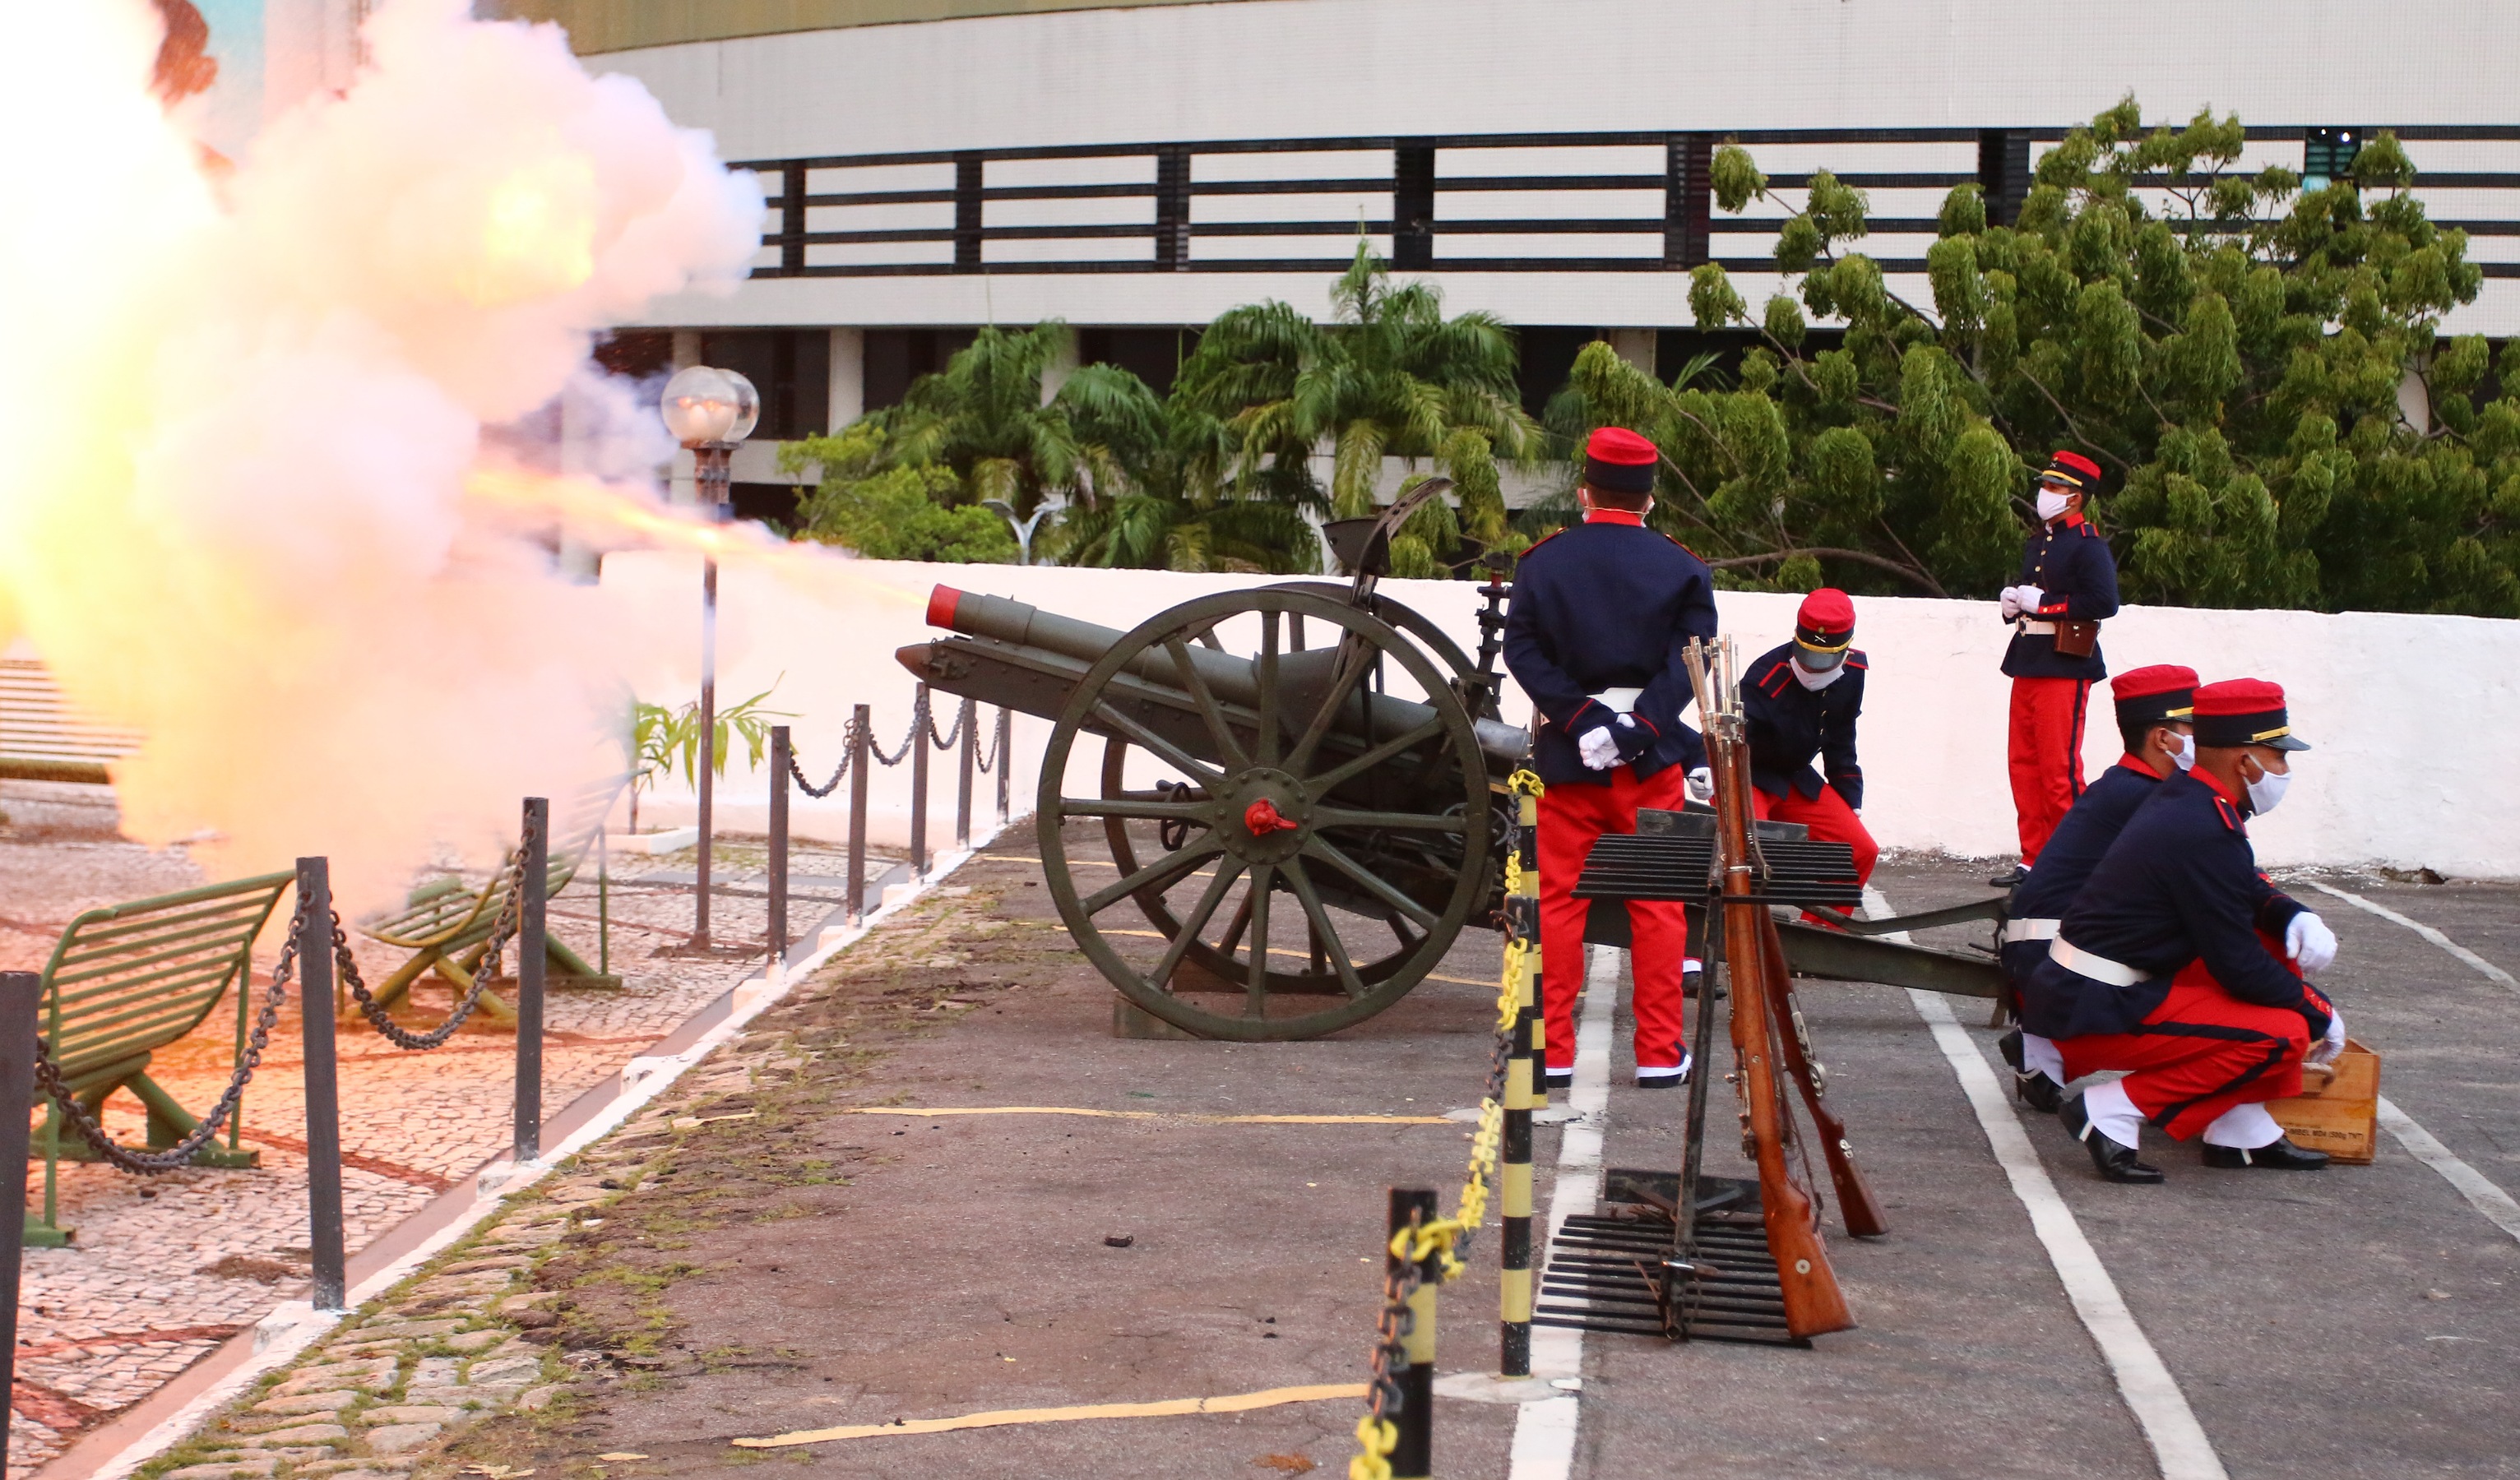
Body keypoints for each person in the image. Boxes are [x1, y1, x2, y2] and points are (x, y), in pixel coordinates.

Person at [2024, 679, 2343, 1182]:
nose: (2284, 770)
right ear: (2245, 762)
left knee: (2274, 956)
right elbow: (2235, 962)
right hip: (2099, 997)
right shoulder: (2202, 822)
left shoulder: (2191, 798)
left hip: (2091, 984)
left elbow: (2236, 891)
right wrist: (2318, 1011)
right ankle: (2113, 1110)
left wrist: (2289, 916)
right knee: (2283, 1034)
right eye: (2278, 756)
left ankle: (2240, 1126)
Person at [1504, 425, 1717, 1091]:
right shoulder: (1682, 566)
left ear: (1584, 490)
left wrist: (1582, 719)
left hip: (1567, 758)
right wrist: (1639, 728)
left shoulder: (1544, 561)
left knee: (1559, 905)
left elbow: (1524, 653)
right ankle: (1658, 1054)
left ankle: (1554, 1053)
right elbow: (1693, 661)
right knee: (1657, 906)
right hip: (1649, 761)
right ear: (1650, 499)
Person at [1995, 664, 2198, 1112]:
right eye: (2193, 726)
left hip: (2044, 952)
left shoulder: (2128, 785)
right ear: (2163, 738)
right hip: (2054, 961)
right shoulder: (2145, 795)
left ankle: (2045, 1055)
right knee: (2205, 966)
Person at [2000, 451, 2119, 872]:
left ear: (2075, 497)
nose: (2044, 493)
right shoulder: (2039, 541)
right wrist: (2013, 605)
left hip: (2064, 664)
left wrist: (2046, 605)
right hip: (2028, 660)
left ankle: (2072, 865)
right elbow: (2032, 593)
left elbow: (2104, 602)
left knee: (2058, 771)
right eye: (2045, 485)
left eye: (2054, 488)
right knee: (2023, 767)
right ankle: (2034, 860)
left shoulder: (2088, 544)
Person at [1739, 589, 1877, 892]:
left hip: (1795, 779)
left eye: (1824, 659)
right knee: (1748, 858)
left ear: (1846, 649)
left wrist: (1849, 796)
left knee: (1859, 850)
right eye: (1808, 655)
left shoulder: (1853, 673)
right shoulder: (1764, 679)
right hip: (1748, 777)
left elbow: (1841, 737)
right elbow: (1732, 745)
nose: (1814, 667)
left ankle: (1821, 933)